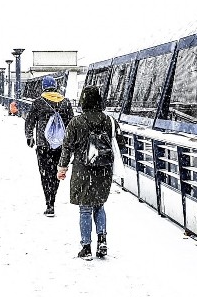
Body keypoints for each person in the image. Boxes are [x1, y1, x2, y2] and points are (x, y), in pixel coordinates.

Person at [57, 85, 123, 259]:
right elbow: (121, 144)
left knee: (85, 208)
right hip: (104, 169)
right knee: (99, 205)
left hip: (82, 170)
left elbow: (67, 147)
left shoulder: (76, 122)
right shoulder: (110, 121)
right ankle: (102, 241)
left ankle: (86, 247)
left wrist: (62, 168)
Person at [24, 76, 75, 217]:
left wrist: (29, 137)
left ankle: (49, 203)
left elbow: (29, 121)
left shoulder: (38, 103)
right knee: (56, 173)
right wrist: (71, 145)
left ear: (43, 87)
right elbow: (72, 124)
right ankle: (53, 195)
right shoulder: (65, 102)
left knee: (45, 174)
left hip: (43, 145)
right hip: (60, 146)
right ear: (56, 86)